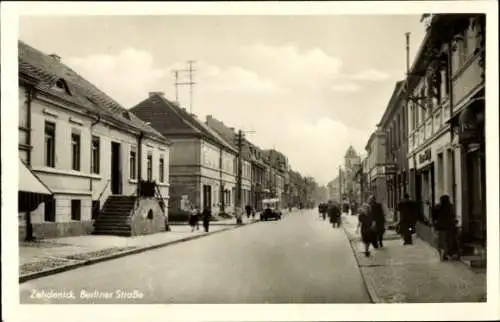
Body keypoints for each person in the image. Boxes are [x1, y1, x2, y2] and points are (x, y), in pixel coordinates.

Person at [432, 195, 457, 261]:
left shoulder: (438, 207)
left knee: (440, 242)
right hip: (449, 226)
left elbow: (434, 216)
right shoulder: (450, 207)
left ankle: (442, 254)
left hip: (440, 227)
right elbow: (453, 215)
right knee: (448, 241)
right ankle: (447, 253)